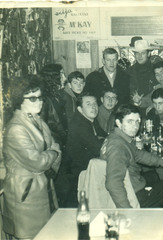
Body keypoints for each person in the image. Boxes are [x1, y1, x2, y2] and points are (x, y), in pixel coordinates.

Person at [2, 75, 61, 239]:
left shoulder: (38, 120)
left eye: (40, 97)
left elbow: (54, 147)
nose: (39, 102)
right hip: (26, 197)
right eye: (33, 98)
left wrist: (52, 156)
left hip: (43, 188)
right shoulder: (16, 129)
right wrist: (53, 153)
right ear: (19, 100)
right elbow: (38, 162)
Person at [101, 104, 163, 208]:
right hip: (133, 195)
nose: (135, 126)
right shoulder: (117, 147)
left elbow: (138, 154)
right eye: (130, 121)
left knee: (154, 175)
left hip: (132, 182)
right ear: (118, 123)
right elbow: (113, 184)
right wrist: (128, 211)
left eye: (137, 121)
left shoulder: (118, 137)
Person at [66, 92, 107, 206]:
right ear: (79, 109)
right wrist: (101, 140)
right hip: (79, 176)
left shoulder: (90, 119)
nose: (93, 107)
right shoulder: (79, 125)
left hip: (90, 167)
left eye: (95, 103)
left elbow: (105, 136)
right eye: (88, 104)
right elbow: (98, 148)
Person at [40, 63, 68, 148]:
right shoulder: (45, 100)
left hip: (61, 143)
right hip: (52, 145)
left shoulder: (58, 95)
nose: (65, 78)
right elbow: (42, 128)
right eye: (61, 74)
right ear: (52, 78)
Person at [127, 40, 158, 108]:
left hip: (153, 108)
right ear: (134, 54)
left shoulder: (155, 70)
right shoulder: (129, 72)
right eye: (137, 53)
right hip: (133, 109)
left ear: (148, 53)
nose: (140, 56)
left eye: (143, 53)